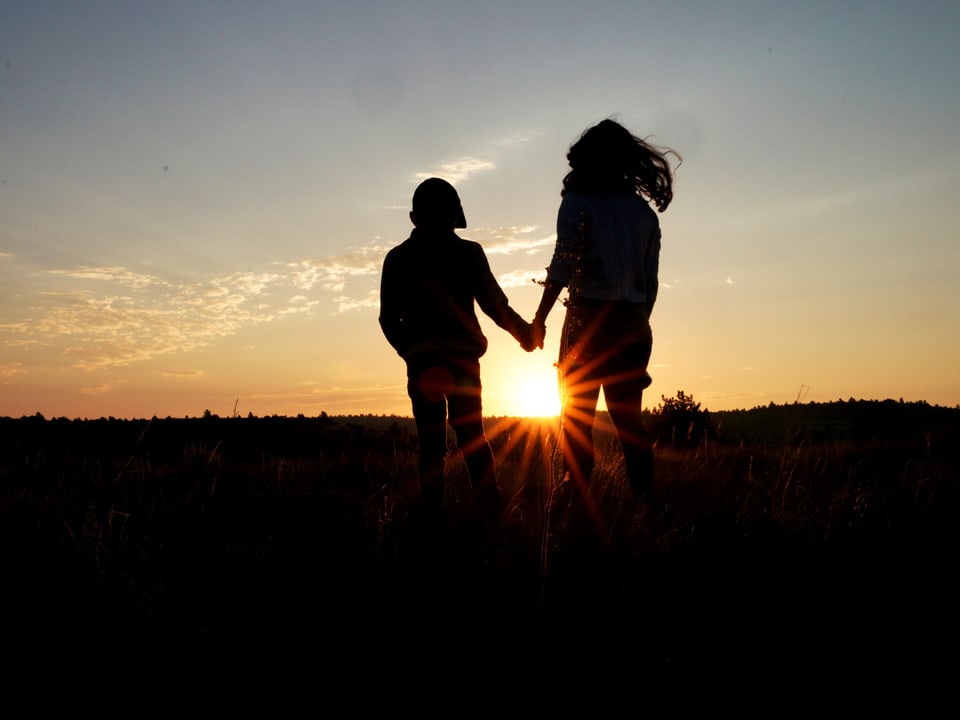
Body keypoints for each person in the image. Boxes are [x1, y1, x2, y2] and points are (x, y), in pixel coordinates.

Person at [531, 118, 680, 514]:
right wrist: (637, 322)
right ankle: (647, 507)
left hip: (586, 323)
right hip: (633, 324)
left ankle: (574, 507)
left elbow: (562, 264)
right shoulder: (644, 215)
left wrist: (540, 317)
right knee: (629, 423)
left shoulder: (578, 203)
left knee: (577, 422)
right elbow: (650, 284)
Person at [379, 177, 536, 526]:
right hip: (462, 360)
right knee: (472, 438)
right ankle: (488, 512)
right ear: (455, 216)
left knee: (431, 445)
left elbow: (388, 319)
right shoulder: (468, 253)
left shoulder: (398, 258)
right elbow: (494, 304)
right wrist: (524, 333)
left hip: (424, 363)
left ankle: (433, 521)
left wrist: (412, 351)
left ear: (413, 217)